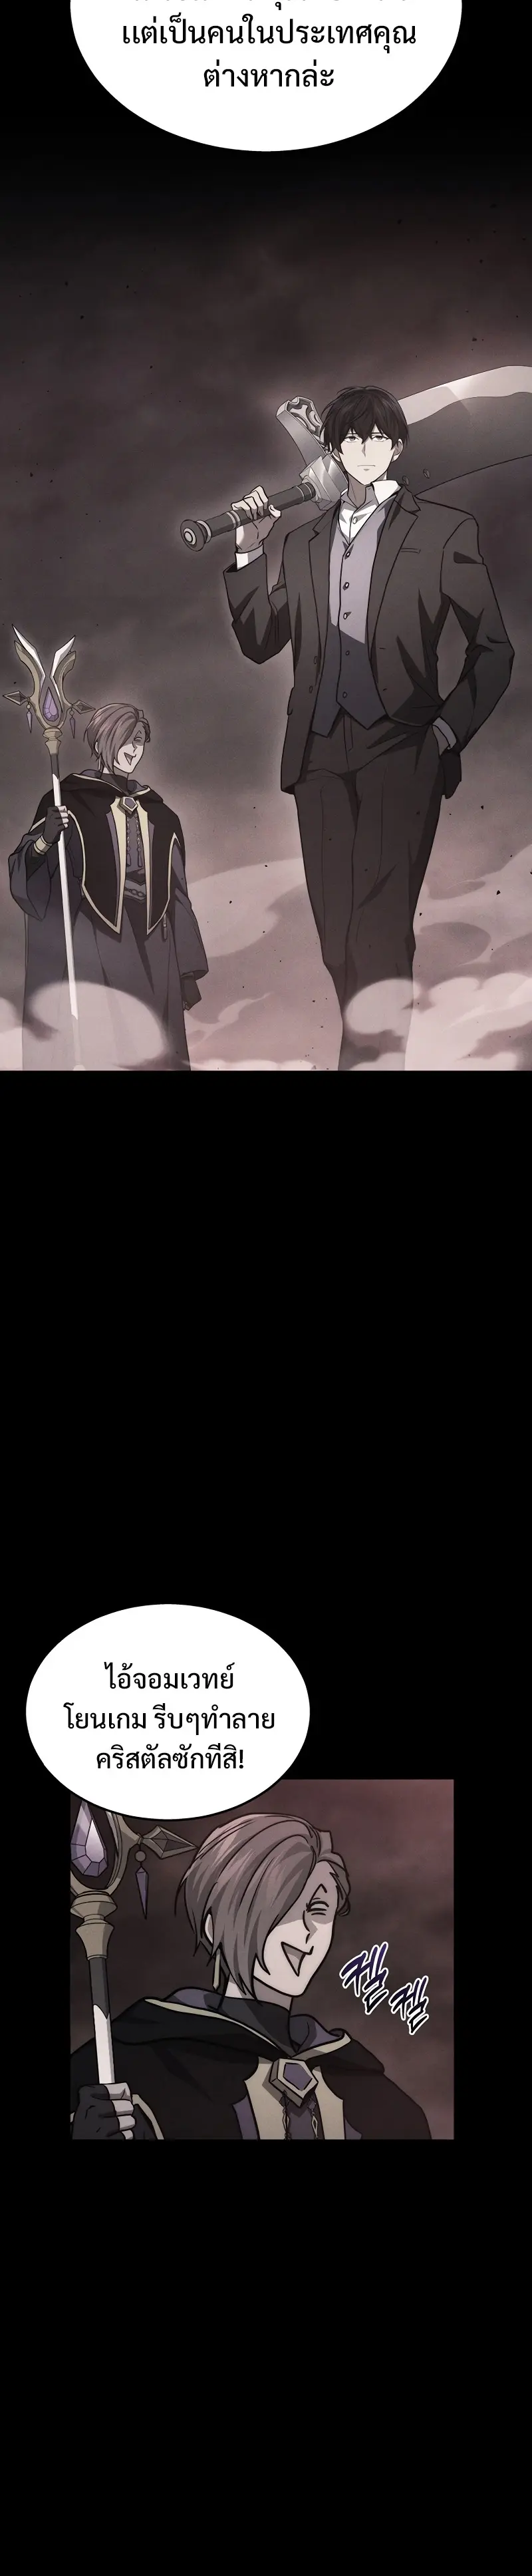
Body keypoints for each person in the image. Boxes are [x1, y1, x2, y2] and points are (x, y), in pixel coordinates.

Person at [223, 383, 514, 1068]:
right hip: (318, 754)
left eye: (378, 437)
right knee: (338, 937)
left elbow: (493, 649)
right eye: (351, 438)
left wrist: (444, 734)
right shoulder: (301, 543)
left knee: (378, 929)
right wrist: (248, 551)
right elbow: (261, 640)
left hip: (402, 748)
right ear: (332, 449)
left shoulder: (442, 530)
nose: (364, 449)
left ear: (398, 447)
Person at [70, 1811, 432, 2139]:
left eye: (319, 1909)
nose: (305, 1929)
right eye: (280, 1907)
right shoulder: (137, 2065)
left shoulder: (373, 2095)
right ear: (213, 1926)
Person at [9, 701, 207, 1068]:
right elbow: (26, 874)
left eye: (139, 741)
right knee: (106, 1042)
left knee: (156, 1045)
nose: (133, 750)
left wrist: (186, 968)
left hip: (155, 941)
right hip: (96, 936)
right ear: (101, 742)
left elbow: (177, 893)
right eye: (125, 740)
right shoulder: (67, 801)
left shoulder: (162, 815)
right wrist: (46, 839)